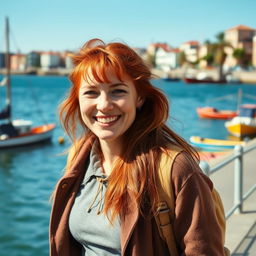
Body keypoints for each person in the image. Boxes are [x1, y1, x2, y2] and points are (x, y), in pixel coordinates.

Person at [49, 38, 226, 256]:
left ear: (139, 97)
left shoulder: (175, 169)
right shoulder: (80, 156)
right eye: (91, 92)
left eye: (118, 91)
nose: (104, 105)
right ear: (77, 99)